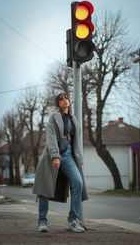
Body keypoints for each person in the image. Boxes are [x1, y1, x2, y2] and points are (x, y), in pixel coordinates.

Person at [33, 93, 88, 233]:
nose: (65, 101)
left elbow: (76, 140)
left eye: (66, 99)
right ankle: (42, 221)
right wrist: (55, 156)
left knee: (78, 182)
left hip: (69, 155)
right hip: (53, 154)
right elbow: (50, 137)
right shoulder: (53, 117)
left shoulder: (73, 118)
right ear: (58, 103)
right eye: (61, 99)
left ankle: (73, 219)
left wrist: (79, 158)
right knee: (45, 187)